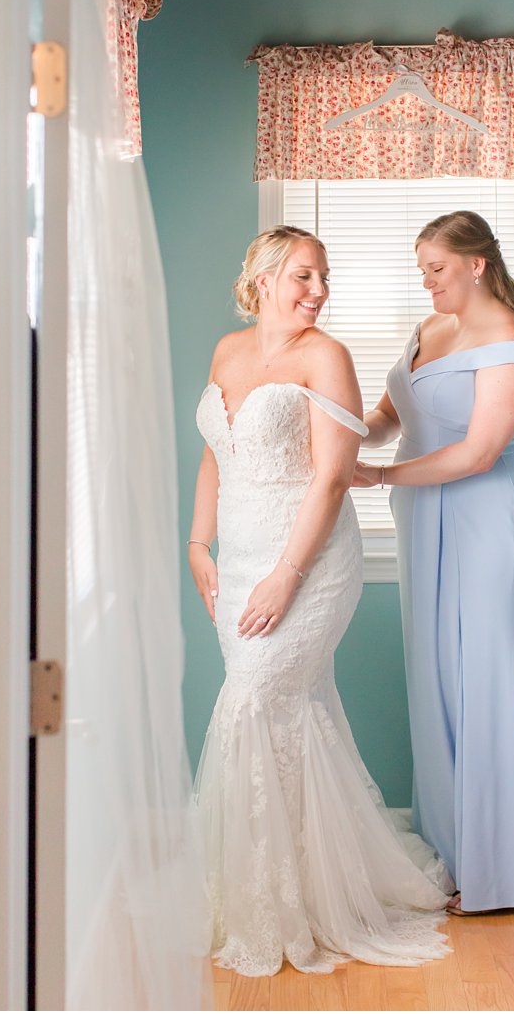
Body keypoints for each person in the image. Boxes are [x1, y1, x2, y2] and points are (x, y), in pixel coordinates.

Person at [187, 225, 454, 976]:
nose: (319, 291)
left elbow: (333, 477)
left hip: (306, 557)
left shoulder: (326, 355)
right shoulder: (227, 351)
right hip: (236, 554)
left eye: (324, 277)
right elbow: (217, 452)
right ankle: (285, 878)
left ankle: (287, 899)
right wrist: (198, 544)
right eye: (305, 275)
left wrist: (287, 575)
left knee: (257, 697)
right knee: (280, 710)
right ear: (265, 278)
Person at [352, 210, 514, 915]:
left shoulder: (511, 342)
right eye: (422, 268)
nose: (426, 280)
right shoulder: (429, 330)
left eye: (436, 267)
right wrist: (336, 431)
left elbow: (478, 451)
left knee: (484, 675)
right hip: (422, 513)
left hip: (485, 513)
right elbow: (388, 417)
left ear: (476, 264)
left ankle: (506, 868)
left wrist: (376, 478)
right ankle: (453, 856)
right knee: (434, 677)